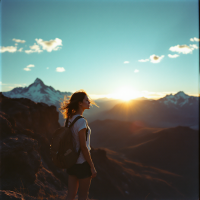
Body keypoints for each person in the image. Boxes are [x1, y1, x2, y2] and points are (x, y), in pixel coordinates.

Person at [60, 90, 98, 200]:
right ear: (80, 103)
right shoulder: (81, 121)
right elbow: (83, 146)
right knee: (83, 196)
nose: (89, 102)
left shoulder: (69, 119)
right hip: (82, 163)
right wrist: (92, 167)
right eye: (86, 100)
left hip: (71, 162)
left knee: (70, 195)